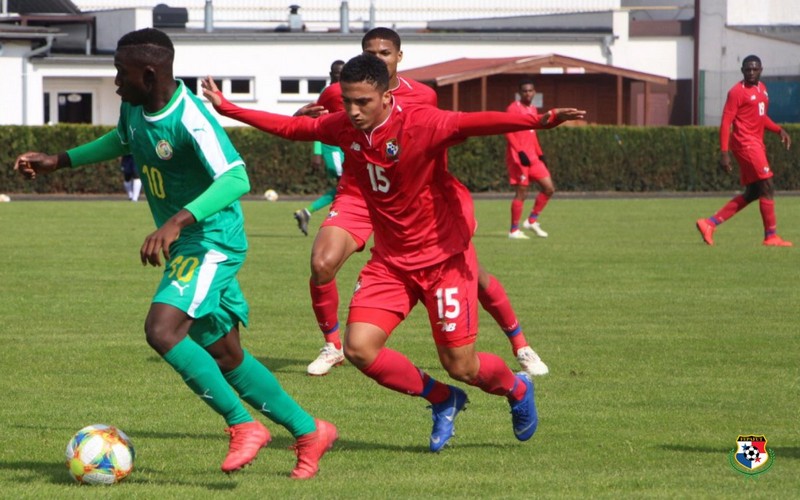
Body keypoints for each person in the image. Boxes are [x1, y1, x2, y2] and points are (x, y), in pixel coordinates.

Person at [202, 53, 586, 451]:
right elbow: (294, 127)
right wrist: (229, 107)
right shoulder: (345, 127)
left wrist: (538, 119)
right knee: (359, 350)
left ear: (386, 97)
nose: (352, 111)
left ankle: (517, 388)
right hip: (391, 263)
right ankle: (442, 399)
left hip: (443, 262)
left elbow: (475, 122)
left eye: (362, 102)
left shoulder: (422, 123)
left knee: (461, 364)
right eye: (347, 100)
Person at [13, 28, 336, 479]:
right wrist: (59, 160)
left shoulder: (191, 118)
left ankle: (244, 425)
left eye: (120, 73)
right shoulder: (135, 107)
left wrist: (175, 221)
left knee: (162, 329)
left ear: (149, 73)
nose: (116, 82)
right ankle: (309, 430)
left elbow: (237, 178)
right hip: (190, 242)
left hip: (212, 240)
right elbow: (123, 139)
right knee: (224, 354)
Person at [295, 27, 550, 378]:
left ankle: (520, 344)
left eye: (384, 53)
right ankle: (333, 346)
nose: (376, 58)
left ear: (399, 57)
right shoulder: (338, 92)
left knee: (474, 277)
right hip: (359, 193)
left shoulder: (424, 96)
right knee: (322, 263)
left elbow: (440, 142)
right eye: (369, 52)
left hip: (417, 204)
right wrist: (303, 120)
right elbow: (315, 124)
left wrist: (450, 203)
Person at [696, 55, 792, 247]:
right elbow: (725, 123)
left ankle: (709, 223)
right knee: (767, 184)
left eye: (754, 69)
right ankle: (771, 236)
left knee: (754, 192)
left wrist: (778, 129)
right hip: (745, 144)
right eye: (747, 69)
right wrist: (724, 153)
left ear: (761, 70)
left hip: (756, 144)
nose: (751, 72)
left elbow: (761, 117)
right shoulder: (736, 92)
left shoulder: (762, 90)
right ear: (742, 71)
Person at [294, 60, 346, 236]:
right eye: (337, 73)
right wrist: (317, 152)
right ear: (331, 74)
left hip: (344, 147)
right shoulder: (327, 93)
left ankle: (307, 212)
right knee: (344, 185)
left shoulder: (347, 91)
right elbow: (318, 122)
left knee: (348, 186)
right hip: (331, 148)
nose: (340, 76)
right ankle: (333, 222)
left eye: (343, 72)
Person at [505, 78, 554, 239]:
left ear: (534, 92)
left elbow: (532, 133)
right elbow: (508, 131)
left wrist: (540, 153)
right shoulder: (513, 108)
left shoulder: (533, 109)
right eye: (525, 91)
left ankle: (532, 220)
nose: (528, 93)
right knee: (522, 193)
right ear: (519, 93)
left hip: (533, 157)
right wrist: (520, 152)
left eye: (530, 90)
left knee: (549, 188)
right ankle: (514, 230)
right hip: (519, 158)